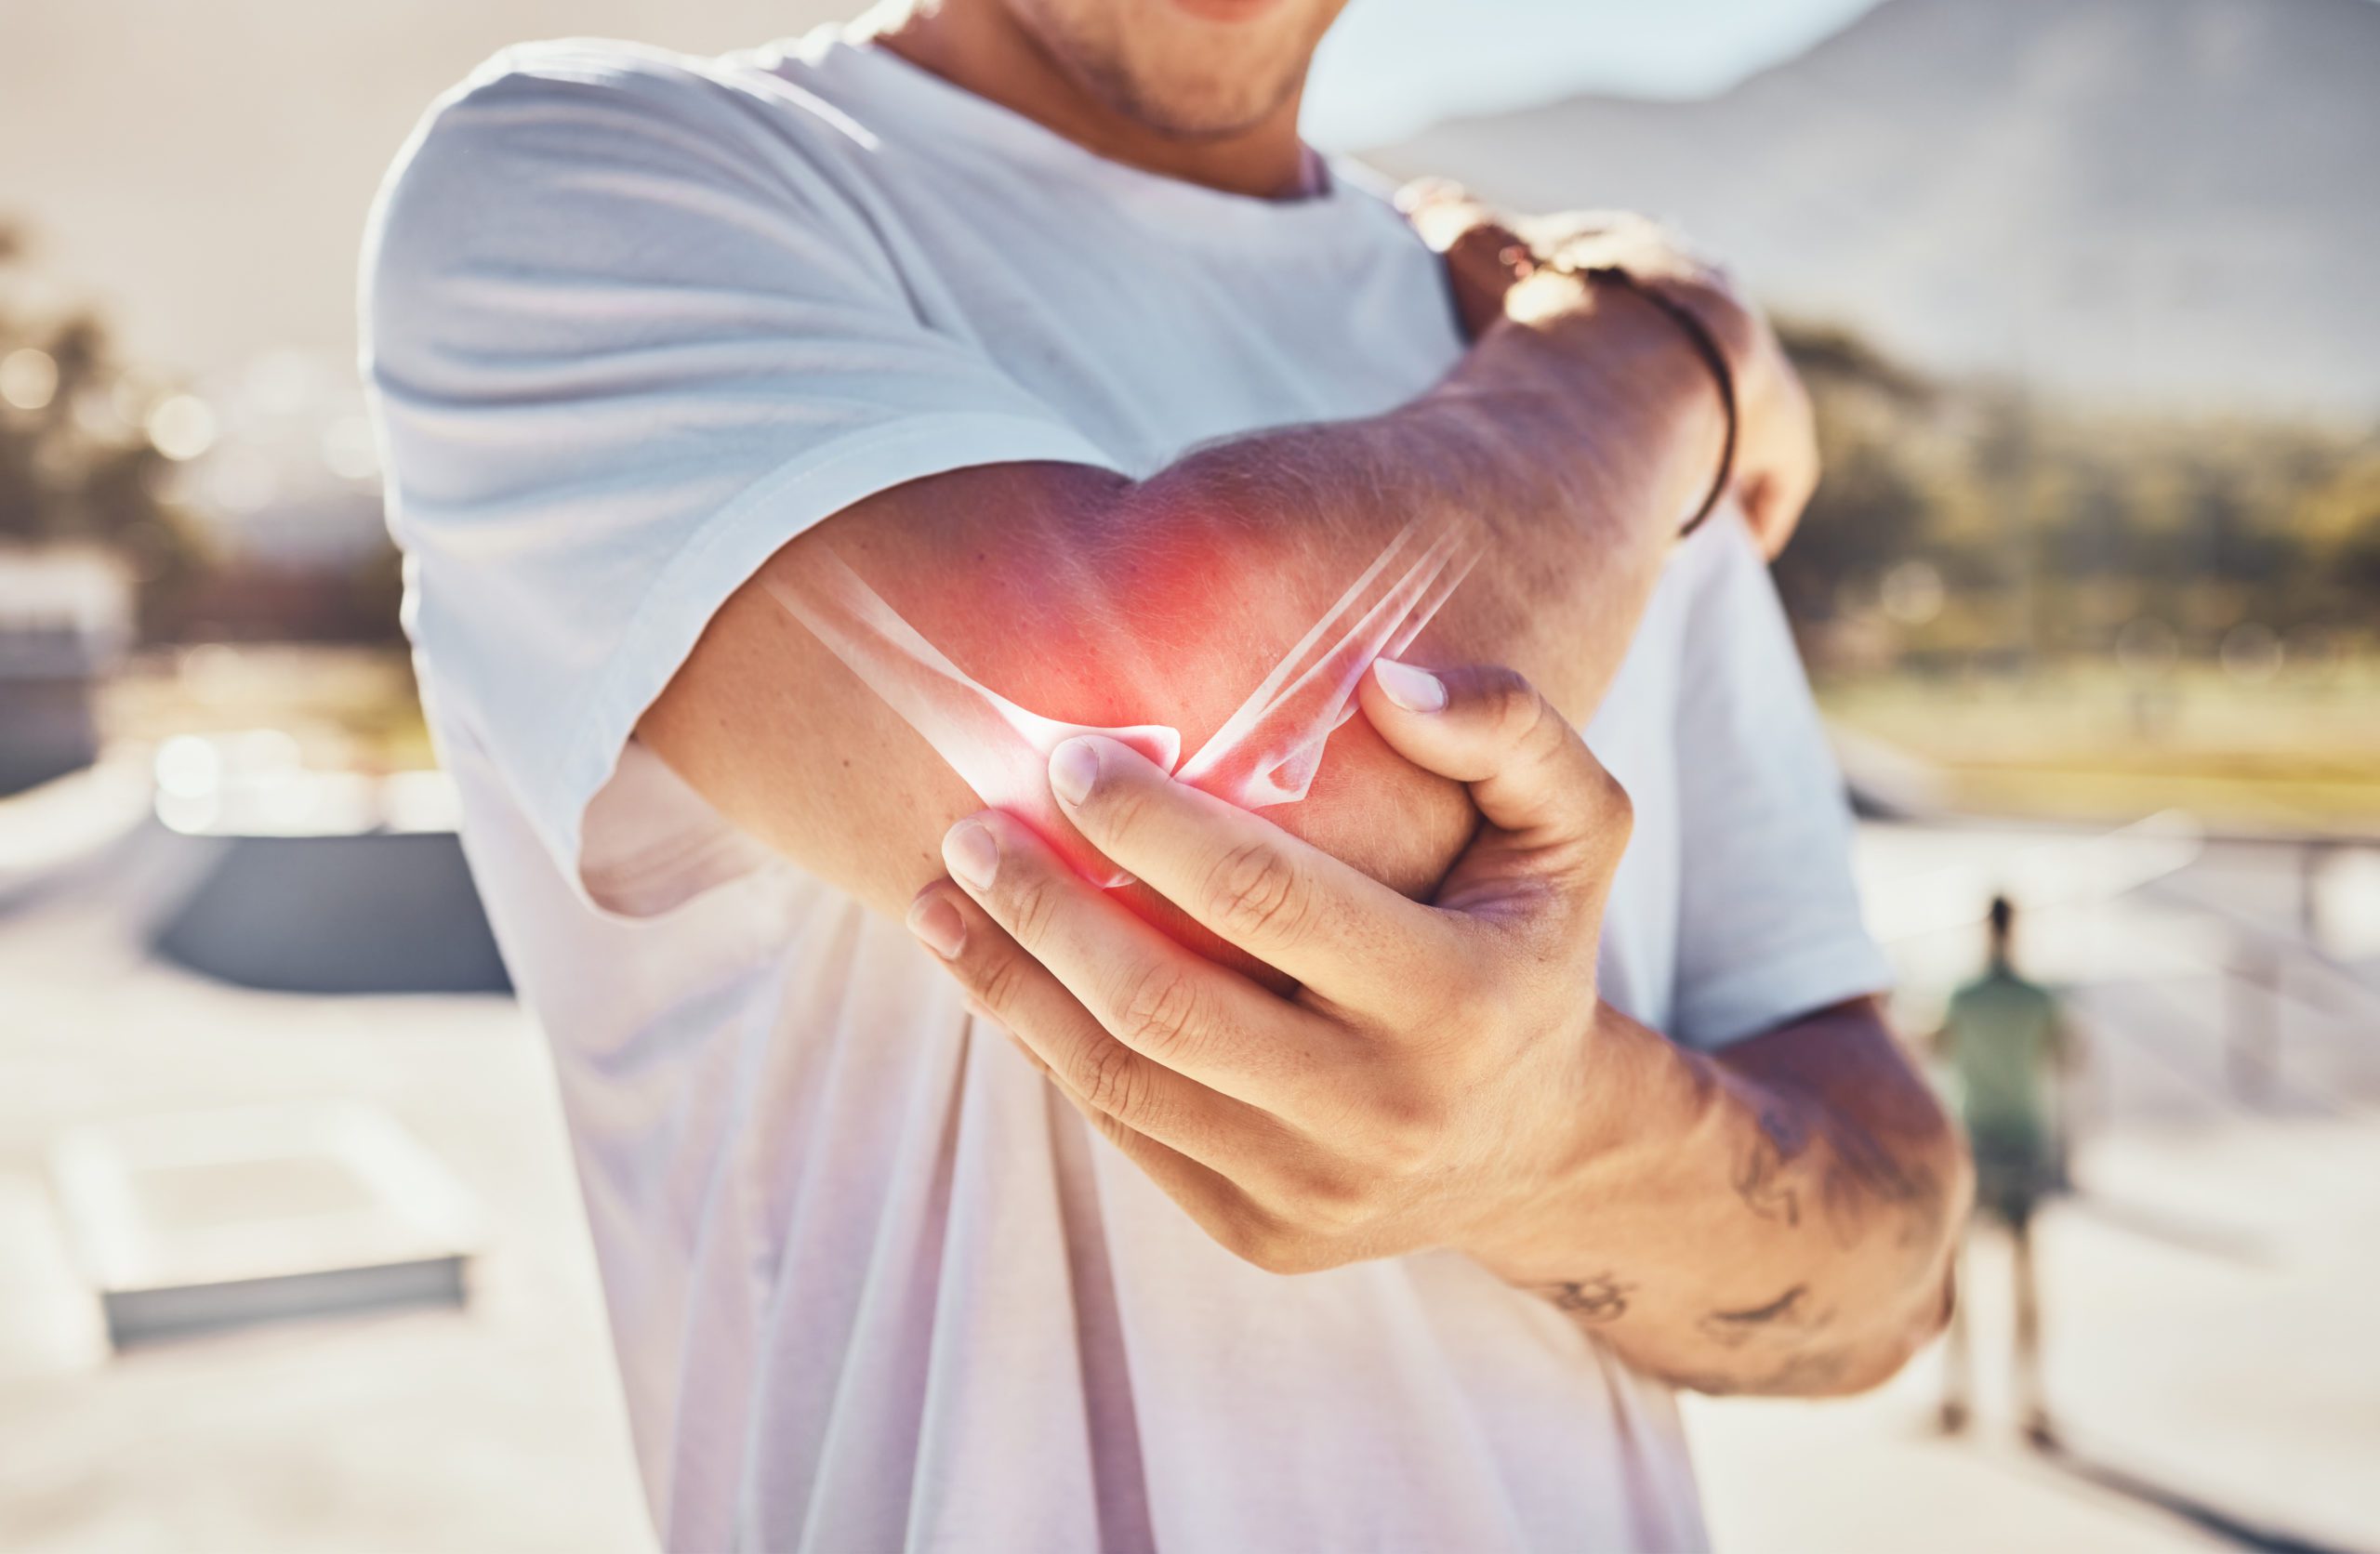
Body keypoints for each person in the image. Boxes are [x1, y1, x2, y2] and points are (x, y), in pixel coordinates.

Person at [363, 0, 1972, 1547]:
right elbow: (1252, 802)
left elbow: (1892, 1267)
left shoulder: (1557, 390)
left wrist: (1550, 1138)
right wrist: (1655, 353)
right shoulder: (596, 183)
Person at [1935, 893, 2078, 1446]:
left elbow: (1935, 1045)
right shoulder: (2037, 999)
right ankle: (2031, 1401)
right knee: (2025, 1279)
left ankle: (1957, 1395)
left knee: (1958, 1277)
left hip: (1974, 1142)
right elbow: (2067, 1054)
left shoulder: (1962, 997)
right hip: (2022, 1139)